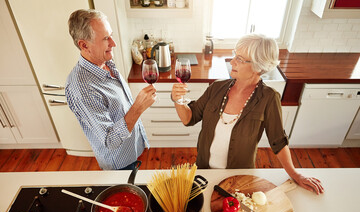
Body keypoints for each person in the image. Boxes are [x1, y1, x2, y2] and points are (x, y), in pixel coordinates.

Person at [171, 34, 324, 194]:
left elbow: (278, 141)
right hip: (203, 171)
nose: (232, 62)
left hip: (239, 178)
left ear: (258, 66)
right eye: (234, 55)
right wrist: (177, 100)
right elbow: (189, 118)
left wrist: (295, 174)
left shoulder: (269, 98)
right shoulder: (216, 88)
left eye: (240, 59)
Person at [65, 9, 156, 170]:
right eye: (106, 38)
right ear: (84, 45)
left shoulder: (105, 62)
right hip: (120, 164)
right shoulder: (82, 88)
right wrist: (138, 108)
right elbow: (110, 141)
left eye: (111, 35)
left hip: (131, 150)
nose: (113, 43)